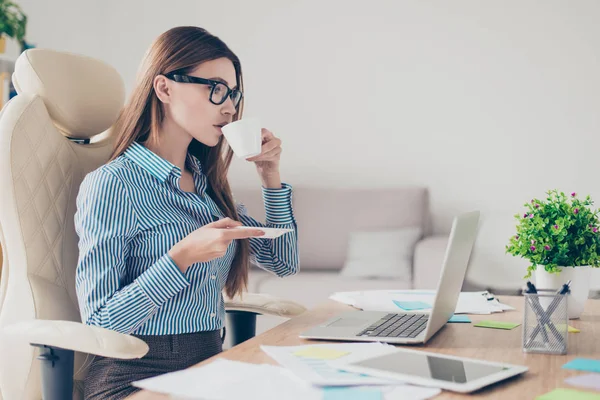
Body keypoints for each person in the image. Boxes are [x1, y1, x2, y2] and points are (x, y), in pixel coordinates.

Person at [74, 26, 299, 400]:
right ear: (164, 89)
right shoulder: (114, 184)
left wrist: (271, 178)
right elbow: (99, 323)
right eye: (215, 89)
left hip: (209, 368)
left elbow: (284, 262)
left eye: (233, 94)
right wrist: (181, 257)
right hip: (135, 379)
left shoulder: (207, 185)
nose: (229, 107)